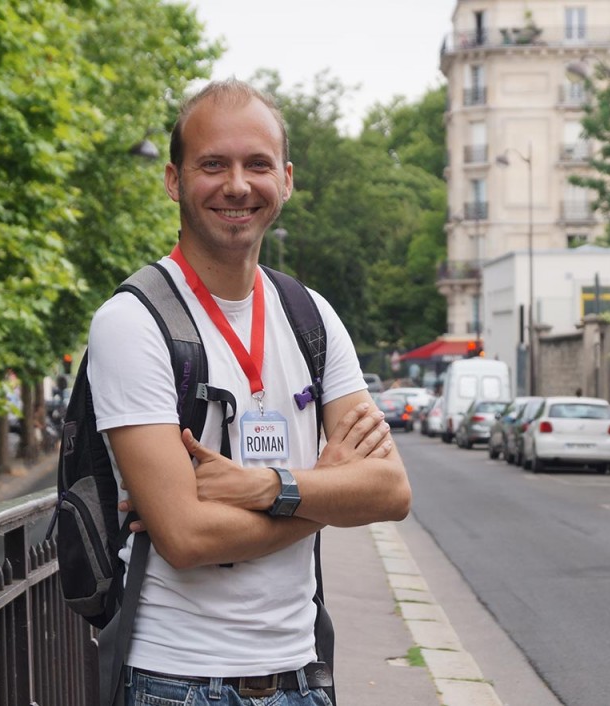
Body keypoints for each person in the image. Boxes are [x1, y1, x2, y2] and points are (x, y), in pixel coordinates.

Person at [86, 78, 412, 706]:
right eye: (213, 164)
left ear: (285, 180)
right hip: (176, 681)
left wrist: (272, 488)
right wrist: (325, 487)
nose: (237, 185)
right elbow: (184, 538)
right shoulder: (133, 322)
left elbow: (391, 490)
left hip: (302, 676)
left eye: (257, 164)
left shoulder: (311, 315)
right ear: (174, 180)